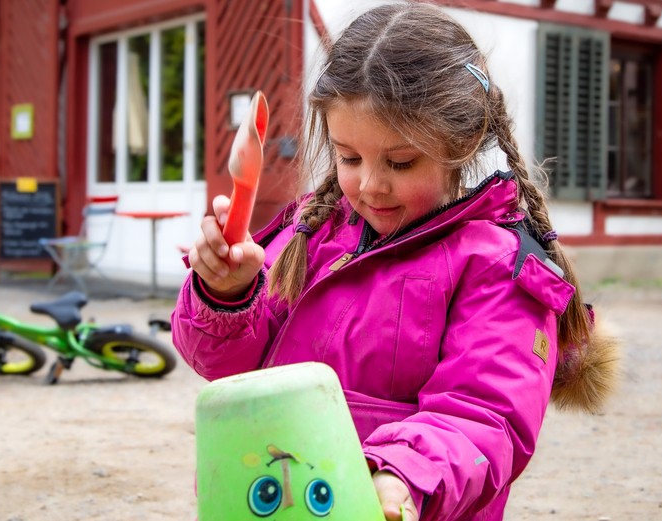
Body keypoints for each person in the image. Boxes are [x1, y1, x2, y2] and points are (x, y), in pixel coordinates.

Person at [172, 3, 618, 520]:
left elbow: (484, 415)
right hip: (277, 498)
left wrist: (399, 477)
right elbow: (226, 367)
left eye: (401, 162)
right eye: (349, 157)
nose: (370, 184)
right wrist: (226, 293)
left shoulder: (498, 268)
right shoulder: (311, 234)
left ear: (462, 145)